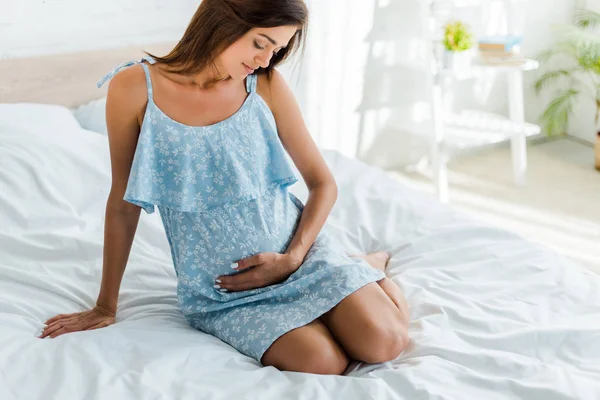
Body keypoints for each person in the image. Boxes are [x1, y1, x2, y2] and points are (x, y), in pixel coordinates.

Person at [39, 0, 410, 375]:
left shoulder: (264, 85)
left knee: (384, 342)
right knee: (323, 363)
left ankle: (365, 267)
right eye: (260, 43)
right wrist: (105, 306)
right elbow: (123, 205)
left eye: (277, 49)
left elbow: (322, 183)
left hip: (299, 257)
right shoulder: (135, 87)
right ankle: (357, 275)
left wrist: (293, 258)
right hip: (224, 293)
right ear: (223, 21)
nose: (266, 60)